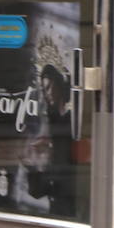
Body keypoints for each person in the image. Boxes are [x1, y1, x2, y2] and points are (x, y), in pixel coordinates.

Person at [22, 64, 77, 218]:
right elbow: (38, 191)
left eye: (49, 87)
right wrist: (32, 165)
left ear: (58, 84)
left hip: (71, 207)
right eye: (44, 90)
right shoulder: (50, 123)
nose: (47, 94)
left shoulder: (69, 121)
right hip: (57, 209)